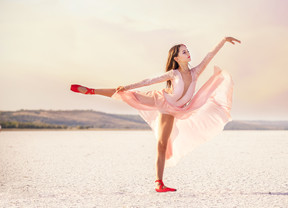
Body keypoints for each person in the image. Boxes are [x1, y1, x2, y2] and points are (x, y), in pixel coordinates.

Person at [70, 36, 241, 192]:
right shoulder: (173, 74)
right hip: (161, 101)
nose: (188, 53)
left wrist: (224, 40)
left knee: (162, 143)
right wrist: (127, 87)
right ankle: (92, 91)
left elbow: (210, 55)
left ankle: (159, 183)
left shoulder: (195, 72)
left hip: (176, 110)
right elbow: (148, 81)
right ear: (176, 58)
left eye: (187, 51)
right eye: (184, 52)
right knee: (129, 95)